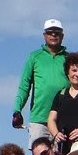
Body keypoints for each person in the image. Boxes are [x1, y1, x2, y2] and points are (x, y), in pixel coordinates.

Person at [11, 18, 69, 146]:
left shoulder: (69, 58)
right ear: (44, 35)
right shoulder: (34, 57)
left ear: (62, 36)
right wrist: (17, 110)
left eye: (57, 32)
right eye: (50, 32)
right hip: (39, 118)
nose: (53, 35)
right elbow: (24, 86)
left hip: (63, 119)